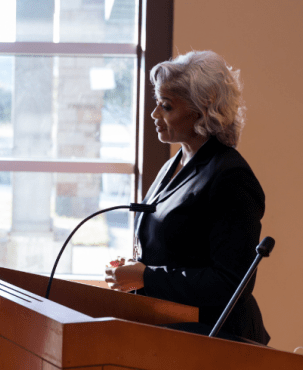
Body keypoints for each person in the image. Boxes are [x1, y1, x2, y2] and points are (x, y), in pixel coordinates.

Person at [104, 50, 270, 345]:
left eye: (166, 106)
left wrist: (147, 277)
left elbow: (230, 283)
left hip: (218, 341)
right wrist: (136, 268)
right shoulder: (175, 163)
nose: (155, 114)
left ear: (201, 110)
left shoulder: (231, 176)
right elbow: (175, 249)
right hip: (172, 330)